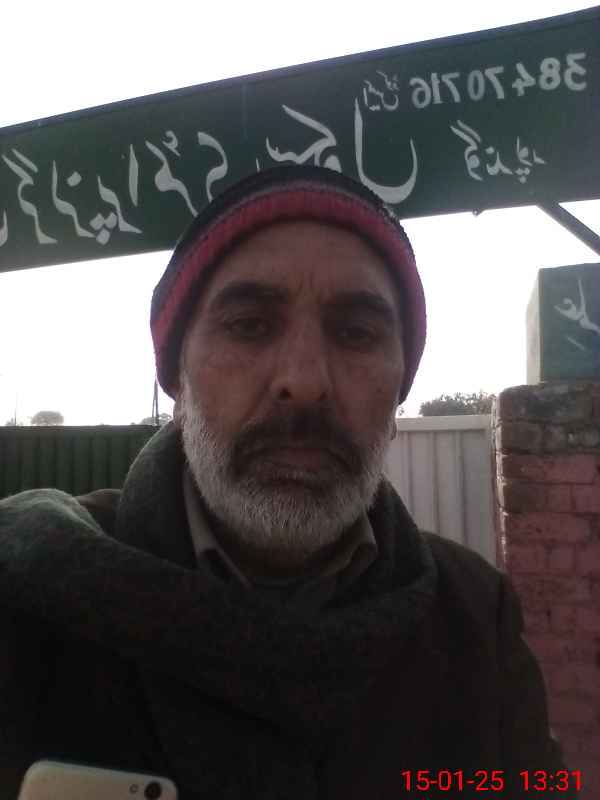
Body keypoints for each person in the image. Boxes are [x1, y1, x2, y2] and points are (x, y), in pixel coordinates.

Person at [0, 165, 572, 800]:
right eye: (249, 324)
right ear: (177, 380)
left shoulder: (477, 623)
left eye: (356, 333)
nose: (304, 381)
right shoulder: (29, 611)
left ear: (398, 390)